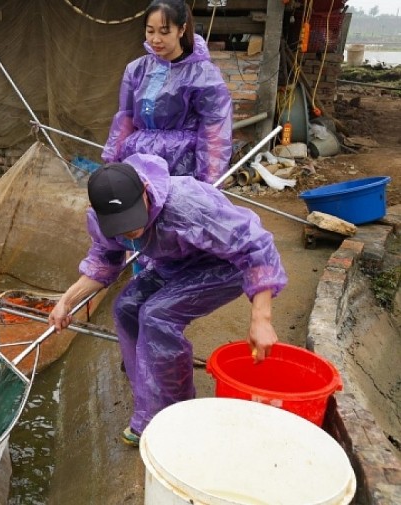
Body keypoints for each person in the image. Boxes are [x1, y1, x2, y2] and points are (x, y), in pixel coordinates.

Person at [48, 155, 287, 446]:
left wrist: (261, 319)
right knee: (125, 308)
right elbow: (104, 263)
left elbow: (255, 245)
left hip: (224, 266)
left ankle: (171, 412)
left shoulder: (188, 204)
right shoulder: (101, 222)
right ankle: (149, 393)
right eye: (119, 226)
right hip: (175, 264)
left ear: (145, 192)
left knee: (157, 315)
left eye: (132, 219)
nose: (129, 231)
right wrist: (66, 301)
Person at [102, 0, 232, 184]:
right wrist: (112, 159)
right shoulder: (136, 69)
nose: (155, 39)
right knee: (138, 210)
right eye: (150, 31)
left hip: (181, 166)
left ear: (181, 30)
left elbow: (214, 128)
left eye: (164, 32)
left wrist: (210, 178)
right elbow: (126, 118)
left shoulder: (204, 75)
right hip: (138, 161)